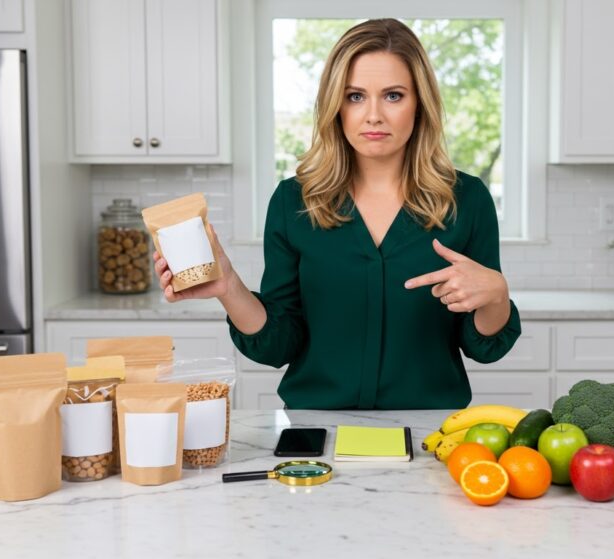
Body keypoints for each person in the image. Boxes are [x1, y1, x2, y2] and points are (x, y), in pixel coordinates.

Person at [153, 19, 520, 409]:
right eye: (355, 96)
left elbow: (482, 346)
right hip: (317, 430)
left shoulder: (467, 200)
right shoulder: (294, 201)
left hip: (429, 428)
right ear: (335, 106)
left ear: (420, 104)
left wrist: (496, 295)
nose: (373, 115)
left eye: (393, 96)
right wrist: (228, 287)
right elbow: (279, 345)